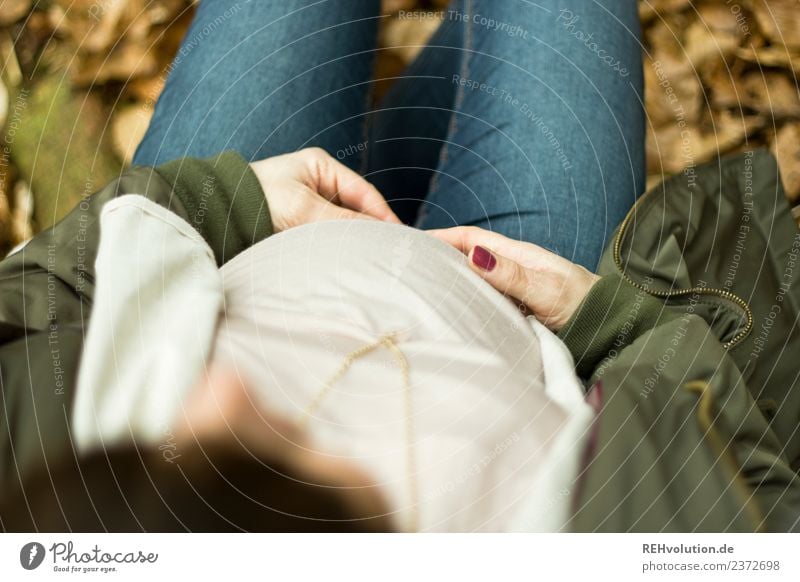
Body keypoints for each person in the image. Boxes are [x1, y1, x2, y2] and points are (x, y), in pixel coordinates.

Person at [1, 0, 799, 532]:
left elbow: (19, 318)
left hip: (239, 220)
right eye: (246, 468)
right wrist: (619, 326)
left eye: (139, 462)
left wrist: (224, 199)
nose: (216, 389)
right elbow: (756, 483)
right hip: (529, 287)